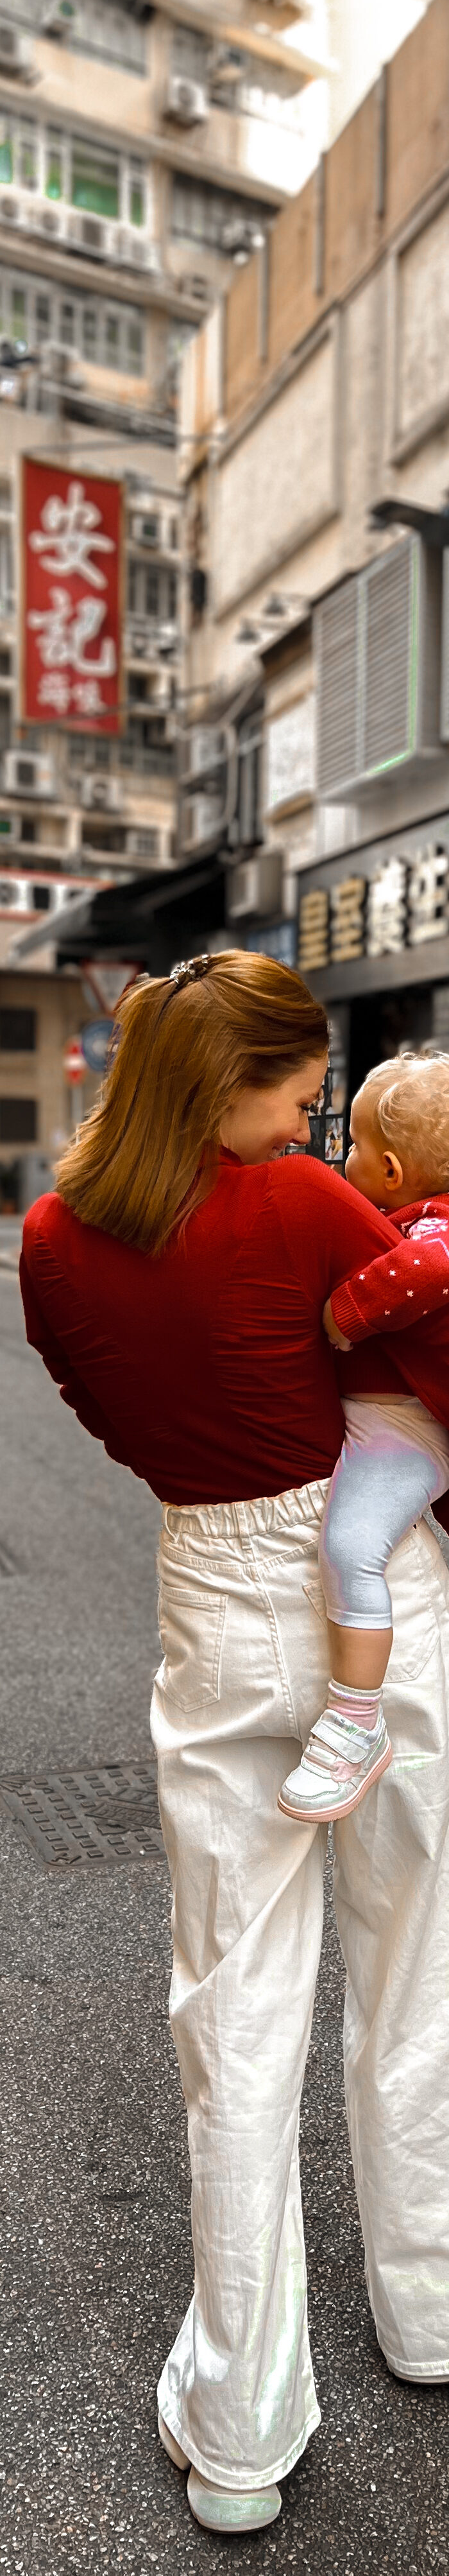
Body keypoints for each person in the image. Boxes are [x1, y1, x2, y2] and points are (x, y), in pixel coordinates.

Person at [19, 953, 449, 2536]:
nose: (310, 1117)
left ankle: (245, 2427)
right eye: (293, 1089)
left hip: (211, 1584)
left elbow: (100, 1408)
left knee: (235, 2008)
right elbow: (418, 1370)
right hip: (380, 1592)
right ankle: (427, 2308)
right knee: (416, 1964)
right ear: (227, 1085)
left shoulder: (57, 1239)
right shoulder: (309, 1210)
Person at [278, 1051, 449, 1824]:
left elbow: (424, 1270)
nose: (335, 1157)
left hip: (404, 1429)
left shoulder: (435, 1230)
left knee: (352, 1548)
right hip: (381, 1422)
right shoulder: (396, 1218)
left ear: (385, 1170)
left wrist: (343, 1315)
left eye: (345, 1146)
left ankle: (354, 1722)